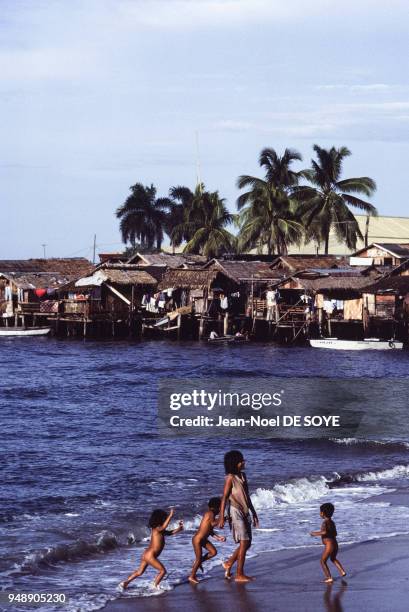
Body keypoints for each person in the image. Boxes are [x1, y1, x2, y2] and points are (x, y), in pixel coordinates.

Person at [218, 450, 259, 582]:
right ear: (236, 463)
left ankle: (229, 563)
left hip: (245, 511)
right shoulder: (230, 478)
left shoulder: (243, 476)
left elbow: (247, 496)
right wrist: (222, 516)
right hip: (235, 511)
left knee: (247, 543)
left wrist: (254, 513)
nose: (244, 462)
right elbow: (224, 497)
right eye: (242, 460)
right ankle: (239, 574)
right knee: (244, 541)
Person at [119, 508, 183, 590]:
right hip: (150, 555)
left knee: (139, 572)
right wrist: (170, 515)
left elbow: (169, 533)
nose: (165, 520)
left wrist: (179, 529)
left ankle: (125, 583)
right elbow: (163, 527)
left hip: (147, 554)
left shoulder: (159, 529)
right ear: (160, 519)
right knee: (163, 571)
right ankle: (154, 587)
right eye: (164, 518)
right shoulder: (156, 528)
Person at [189, 497, 226, 584]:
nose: (220, 510)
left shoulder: (211, 514)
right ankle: (192, 576)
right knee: (198, 558)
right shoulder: (210, 513)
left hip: (203, 539)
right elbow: (213, 523)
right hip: (197, 540)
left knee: (213, 552)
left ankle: (199, 562)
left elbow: (209, 529)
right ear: (217, 507)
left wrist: (218, 537)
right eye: (220, 508)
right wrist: (222, 518)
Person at [310, 502, 347, 583]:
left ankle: (329, 577)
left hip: (329, 545)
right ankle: (342, 571)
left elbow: (324, 532)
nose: (319, 513)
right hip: (335, 543)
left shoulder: (325, 522)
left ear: (322, 513)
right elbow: (335, 533)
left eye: (320, 512)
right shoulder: (332, 522)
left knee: (322, 561)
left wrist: (314, 533)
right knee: (333, 558)